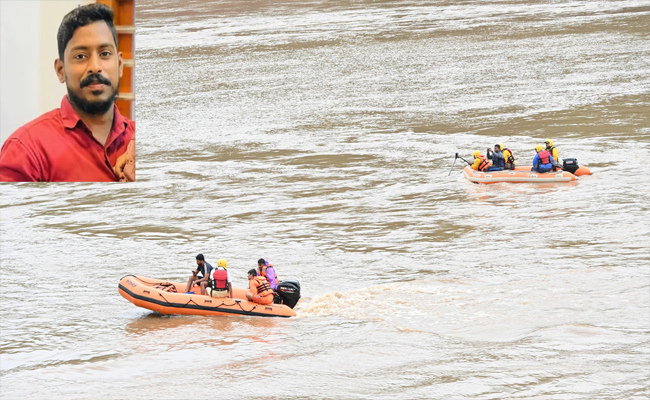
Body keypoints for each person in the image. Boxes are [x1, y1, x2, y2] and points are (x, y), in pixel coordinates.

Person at [0, 4, 135, 182]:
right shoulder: (27, 151)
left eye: (104, 53)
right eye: (81, 56)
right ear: (61, 70)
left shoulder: (144, 143)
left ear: (119, 65)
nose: (95, 67)